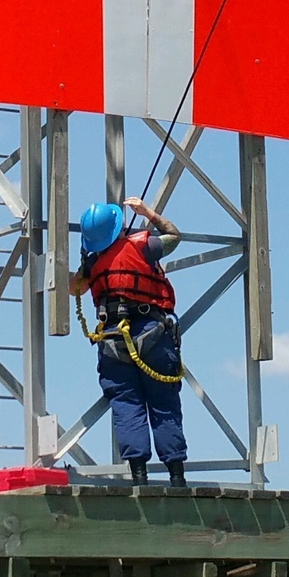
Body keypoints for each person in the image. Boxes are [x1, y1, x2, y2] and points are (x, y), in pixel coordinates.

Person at [71, 196, 188, 486]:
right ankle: (176, 476)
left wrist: (88, 257)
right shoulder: (143, 247)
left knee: (127, 405)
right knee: (164, 403)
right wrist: (147, 212)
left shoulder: (93, 265)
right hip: (152, 334)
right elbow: (174, 235)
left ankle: (139, 476)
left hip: (113, 341)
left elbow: (76, 287)